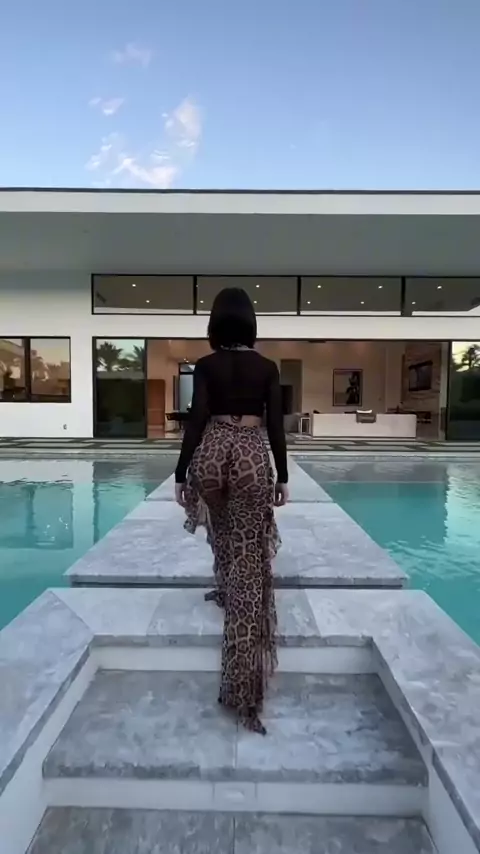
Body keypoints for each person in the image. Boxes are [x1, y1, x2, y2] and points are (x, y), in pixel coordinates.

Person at [175, 287, 289, 735]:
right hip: (249, 457)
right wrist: (282, 476)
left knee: (220, 526)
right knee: (248, 558)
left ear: (216, 323)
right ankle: (244, 689)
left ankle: (226, 586)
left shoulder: (206, 365)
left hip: (212, 451)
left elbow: (197, 418)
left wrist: (181, 473)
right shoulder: (267, 367)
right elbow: (275, 425)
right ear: (250, 322)